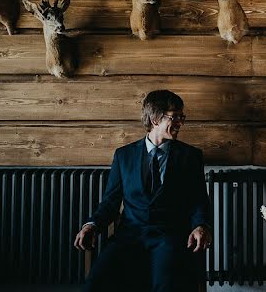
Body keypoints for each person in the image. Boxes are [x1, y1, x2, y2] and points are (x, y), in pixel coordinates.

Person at [74, 89, 212, 292]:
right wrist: (91, 225)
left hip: (169, 237)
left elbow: (199, 199)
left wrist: (201, 225)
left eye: (182, 117)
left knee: (168, 283)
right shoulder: (123, 156)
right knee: (95, 284)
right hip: (129, 236)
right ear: (155, 119)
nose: (180, 123)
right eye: (174, 117)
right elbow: (110, 203)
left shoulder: (190, 156)